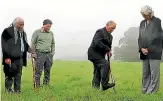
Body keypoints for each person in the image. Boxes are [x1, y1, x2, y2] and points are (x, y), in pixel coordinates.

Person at [1, 17, 31, 93]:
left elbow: (24, 43)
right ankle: (8, 90)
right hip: (10, 58)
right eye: (20, 24)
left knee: (18, 75)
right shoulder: (7, 31)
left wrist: (30, 50)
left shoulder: (23, 32)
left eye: (23, 24)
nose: (22, 26)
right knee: (10, 74)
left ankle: (17, 90)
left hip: (20, 57)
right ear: (15, 23)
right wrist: (7, 57)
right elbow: (4, 45)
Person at [138, 5, 163, 94]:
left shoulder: (157, 21)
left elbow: (158, 37)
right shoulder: (142, 23)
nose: (144, 16)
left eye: (145, 14)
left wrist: (148, 49)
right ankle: (144, 90)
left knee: (154, 73)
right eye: (142, 15)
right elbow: (140, 37)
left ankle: (152, 92)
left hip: (154, 51)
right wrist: (141, 48)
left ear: (150, 13)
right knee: (145, 73)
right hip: (144, 51)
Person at [87, 20, 116, 90]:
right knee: (105, 64)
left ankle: (95, 88)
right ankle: (105, 84)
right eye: (111, 28)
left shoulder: (110, 37)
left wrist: (109, 51)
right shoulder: (100, 32)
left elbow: (109, 47)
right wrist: (107, 49)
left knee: (97, 71)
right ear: (107, 25)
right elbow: (97, 42)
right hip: (93, 53)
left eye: (114, 28)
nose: (112, 30)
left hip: (100, 55)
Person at [31, 19, 55, 88]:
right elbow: (33, 43)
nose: (49, 28)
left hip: (49, 54)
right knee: (38, 71)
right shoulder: (37, 32)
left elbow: (53, 43)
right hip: (39, 54)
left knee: (48, 71)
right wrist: (33, 53)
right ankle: (37, 87)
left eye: (50, 26)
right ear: (43, 25)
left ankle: (46, 85)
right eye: (48, 26)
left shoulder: (51, 33)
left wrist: (52, 52)